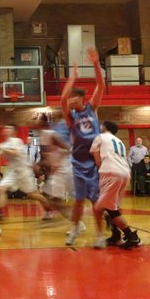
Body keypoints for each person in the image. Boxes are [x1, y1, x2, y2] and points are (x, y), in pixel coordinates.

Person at [61, 48, 105, 246]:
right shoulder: (71, 117)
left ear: (80, 98)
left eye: (73, 98)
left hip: (94, 161)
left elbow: (101, 85)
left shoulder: (91, 109)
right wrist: (73, 77)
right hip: (78, 162)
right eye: (69, 98)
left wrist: (96, 64)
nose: (69, 101)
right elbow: (61, 99)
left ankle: (100, 235)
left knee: (96, 201)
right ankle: (74, 230)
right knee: (78, 200)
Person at [91, 121, 141, 249]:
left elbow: (94, 152)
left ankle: (131, 236)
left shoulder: (100, 137)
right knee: (112, 207)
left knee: (100, 208)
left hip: (110, 173)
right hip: (125, 173)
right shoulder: (119, 141)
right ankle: (116, 235)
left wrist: (100, 167)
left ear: (105, 127)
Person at [0, 124, 52, 219]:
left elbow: (15, 152)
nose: (6, 130)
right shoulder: (3, 145)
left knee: (32, 195)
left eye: (9, 128)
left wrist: (1, 147)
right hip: (12, 172)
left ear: (14, 131)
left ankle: (48, 209)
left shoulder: (17, 141)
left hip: (24, 171)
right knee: (1, 189)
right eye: (6, 128)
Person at [37, 112, 76, 222]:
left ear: (43, 122)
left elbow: (68, 148)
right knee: (51, 198)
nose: (35, 122)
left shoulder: (50, 134)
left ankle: (80, 223)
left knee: (59, 201)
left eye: (37, 119)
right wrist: (39, 164)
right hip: (58, 170)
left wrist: (57, 161)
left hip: (64, 168)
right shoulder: (42, 135)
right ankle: (78, 224)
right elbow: (44, 155)